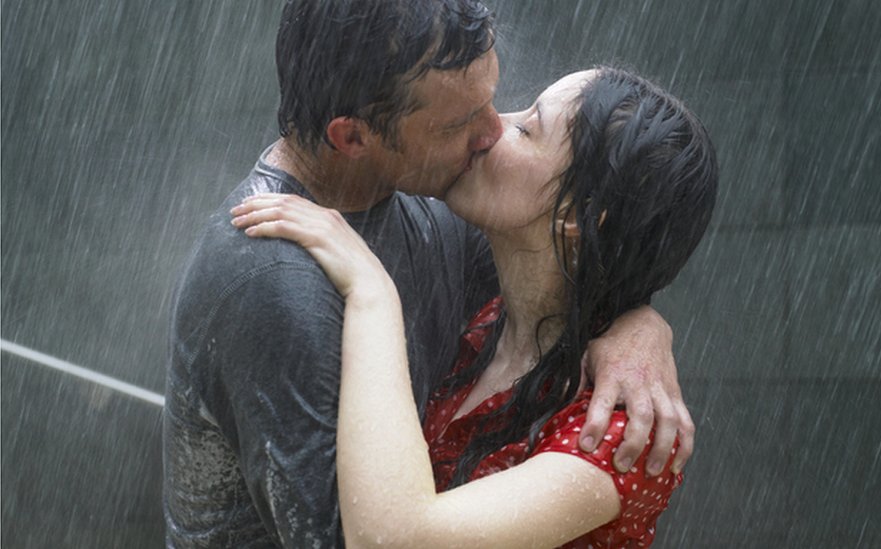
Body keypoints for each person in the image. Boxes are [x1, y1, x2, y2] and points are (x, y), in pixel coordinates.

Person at [164, 0, 693, 546]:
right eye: (462, 122)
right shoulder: (272, 284)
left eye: (508, 113)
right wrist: (374, 295)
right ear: (352, 137)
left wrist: (639, 325)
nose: (491, 131)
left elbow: (588, 266)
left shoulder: (449, 219)